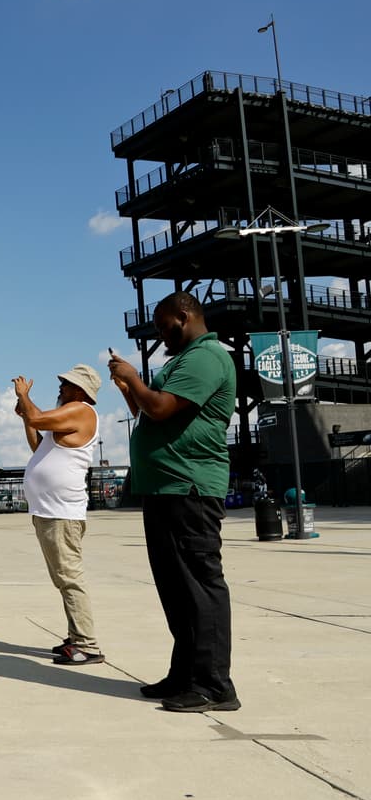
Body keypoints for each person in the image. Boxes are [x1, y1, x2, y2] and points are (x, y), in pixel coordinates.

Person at [108, 291, 240, 712]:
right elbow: (150, 410)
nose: (161, 335)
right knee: (176, 587)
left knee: (200, 586)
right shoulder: (180, 361)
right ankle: (185, 673)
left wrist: (135, 376)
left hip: (190, 488)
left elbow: (162, 407)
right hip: (166, 489)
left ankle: (215, 685)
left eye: (165, 326)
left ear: (184, 316)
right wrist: (130, 386)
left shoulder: (205, 357)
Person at [13, 364, 105, 665]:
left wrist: (25, 398)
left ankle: (87, 645)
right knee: (62, 577)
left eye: (65, 384)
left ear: (79, 390)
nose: (61, 388)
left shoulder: (81, 410)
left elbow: (38, 417)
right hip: (50, 511)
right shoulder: (66, 418)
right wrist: (26, 415)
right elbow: (38, 443)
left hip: (62, 512)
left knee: (70, 577)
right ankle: (76, 634)